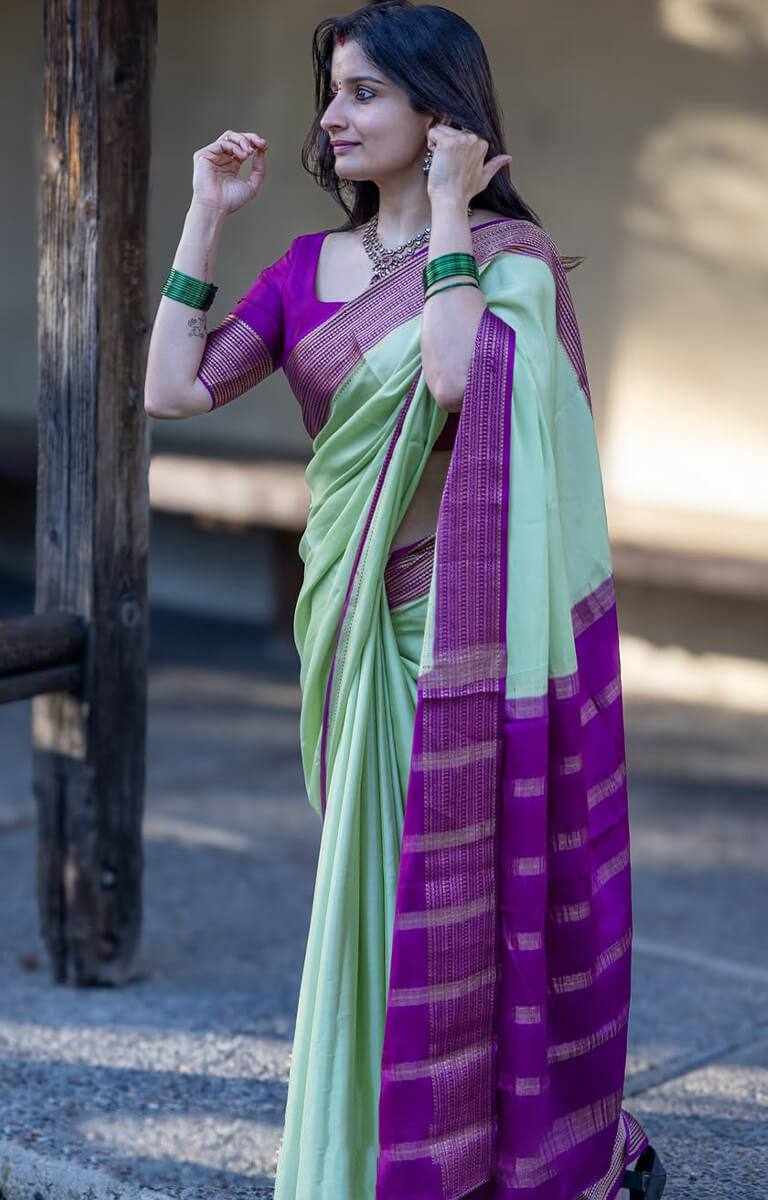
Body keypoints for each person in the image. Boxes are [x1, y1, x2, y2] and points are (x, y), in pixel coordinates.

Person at [144, 3, 668, 1198]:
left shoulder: (507, 260)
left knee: (466, 897)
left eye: (364, 91)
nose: (331, 116)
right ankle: (405, 1139)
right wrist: (206, 213)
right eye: (331, 91)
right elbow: (172, 389)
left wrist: (445, 211)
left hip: (464, 632)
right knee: (379, 898)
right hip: (351, 621)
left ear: (441, 112)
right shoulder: (303, 268)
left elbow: (447, 376)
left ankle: (547, 1144)